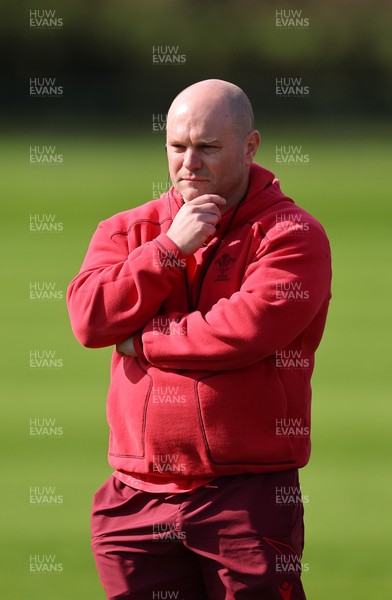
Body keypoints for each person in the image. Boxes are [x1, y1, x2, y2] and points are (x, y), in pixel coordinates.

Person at [67, 79, 332, 600]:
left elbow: (243, 332)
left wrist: (141, 341)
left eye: (208, 147)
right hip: (134, 497)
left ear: (250, 146)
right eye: (177, 146)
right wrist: (168, 249)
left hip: (245, 494)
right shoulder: (127, 230)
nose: (190, 162)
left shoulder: (293, 235)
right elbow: (90, 319)